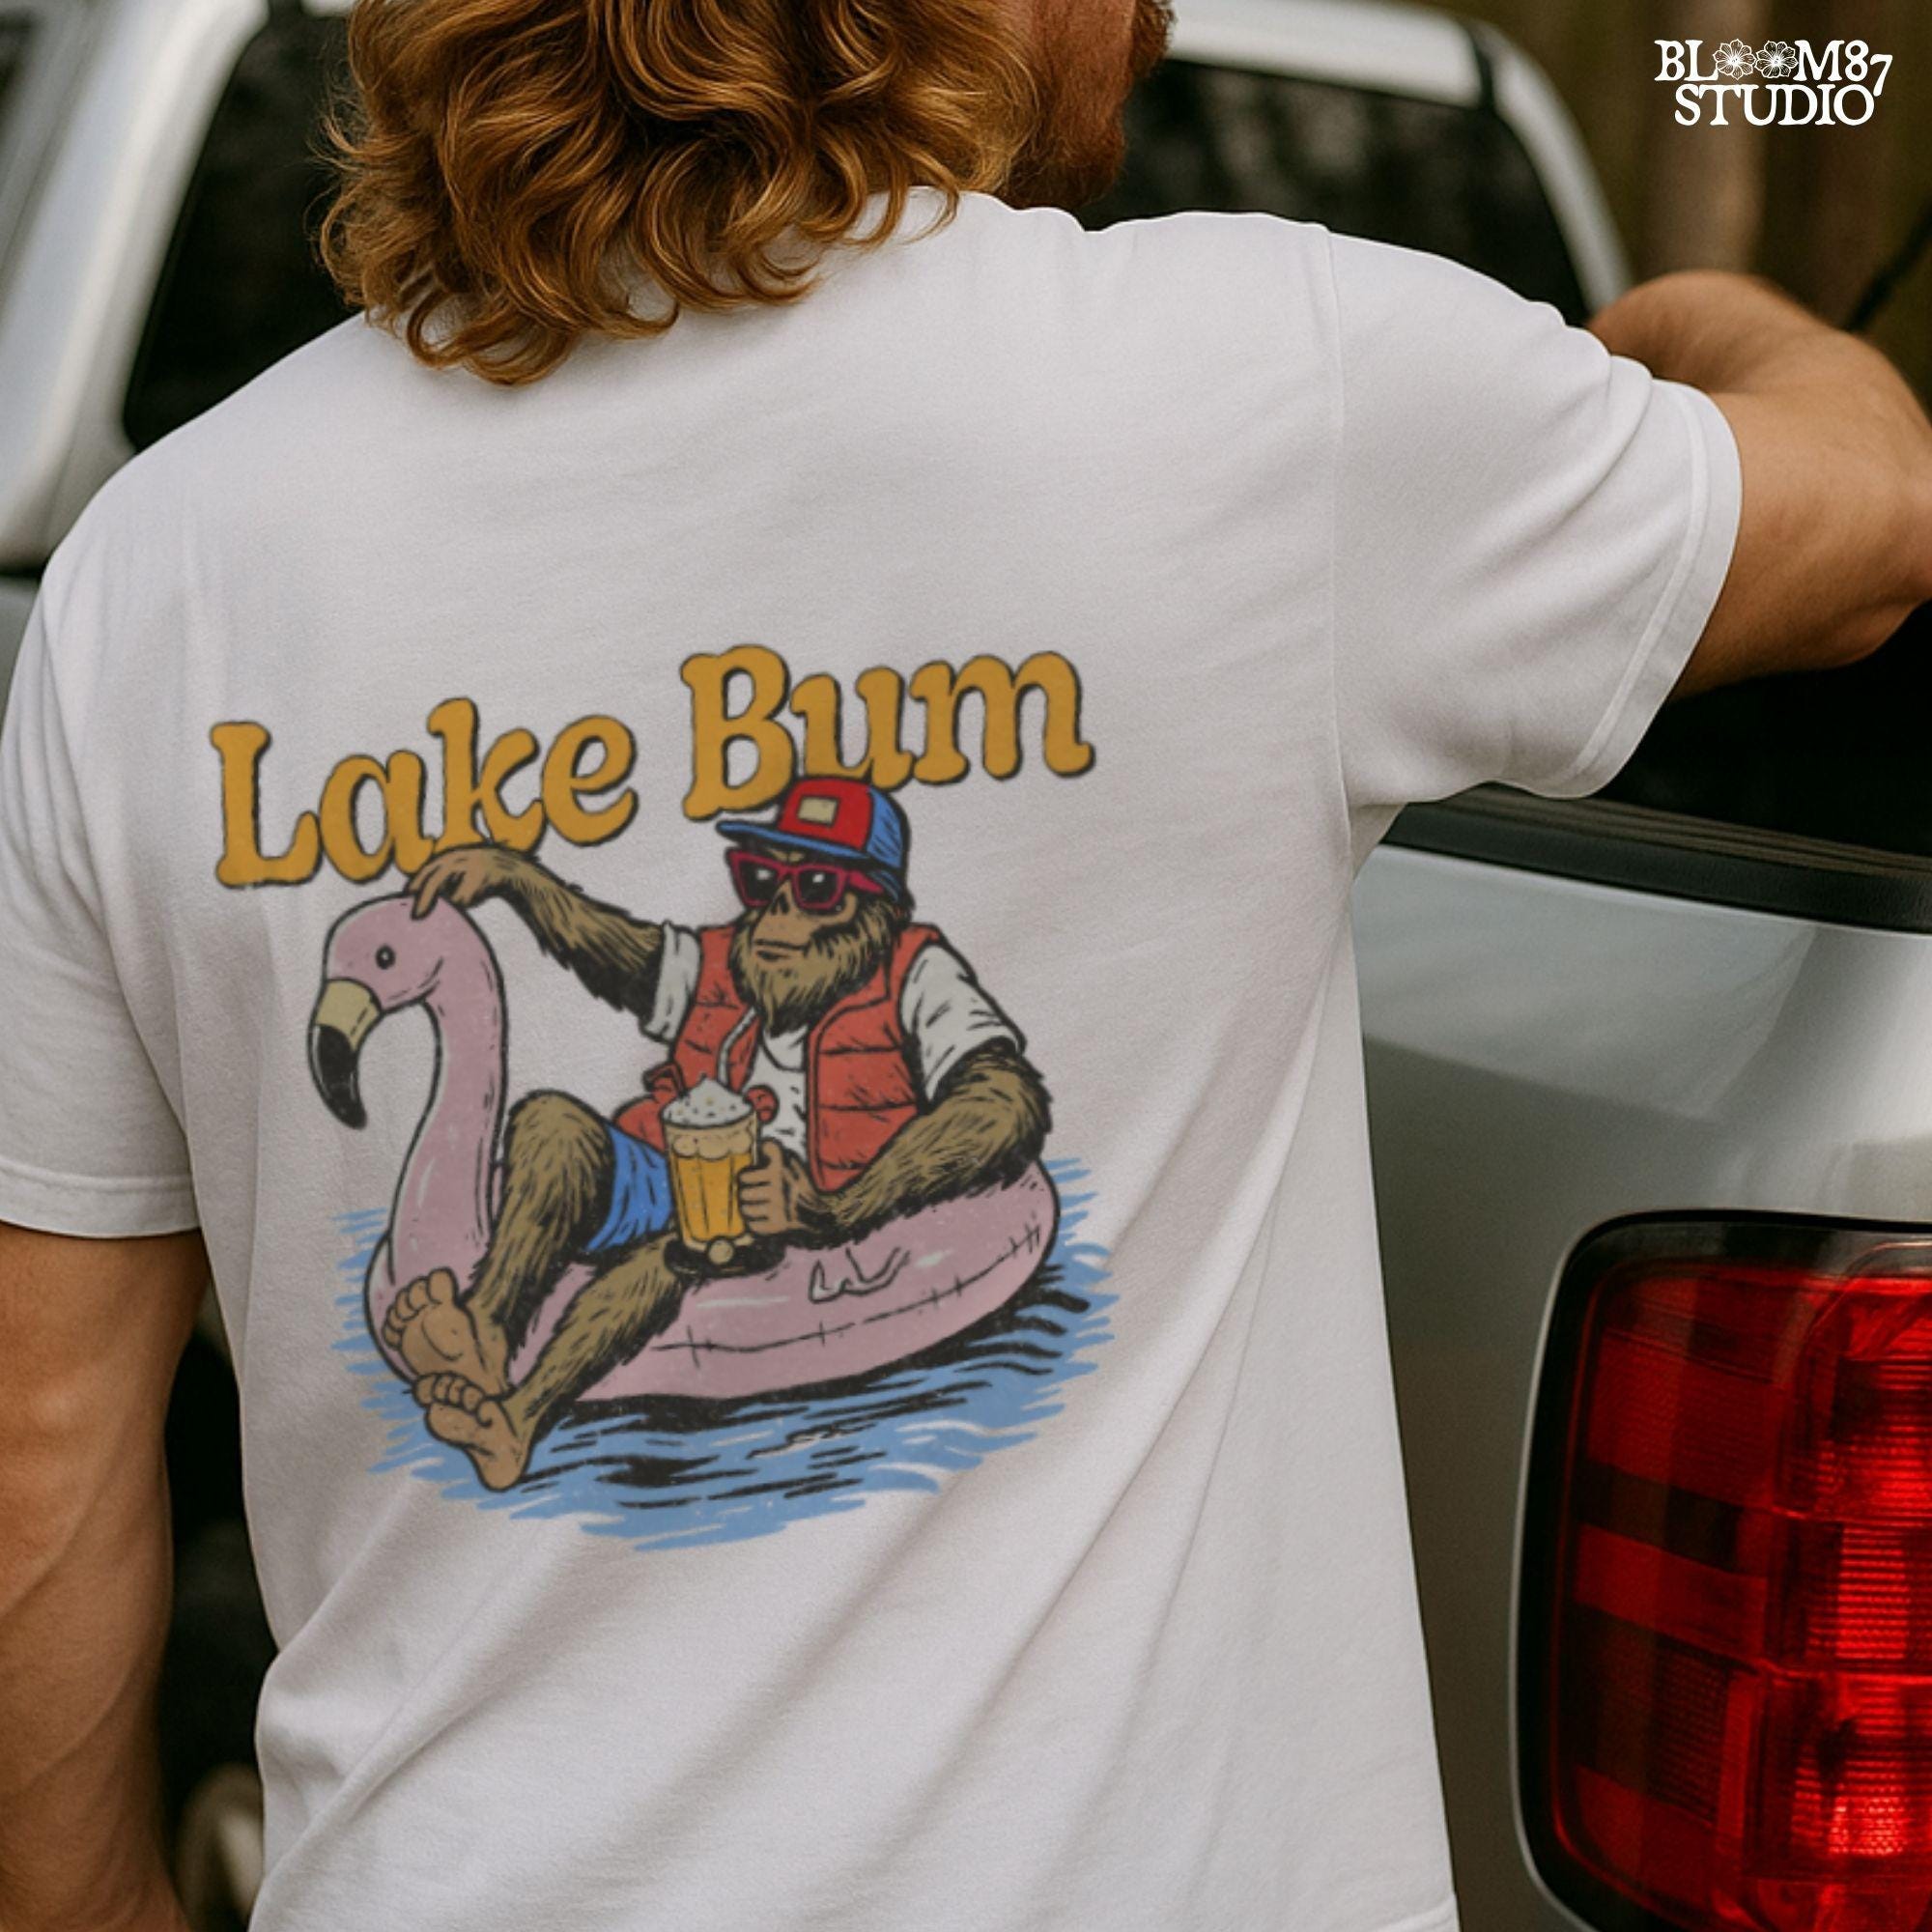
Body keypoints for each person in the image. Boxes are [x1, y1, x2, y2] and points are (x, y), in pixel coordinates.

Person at [0, 1, 1926, 1929]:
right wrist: (1699, 326)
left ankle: (530, 1374)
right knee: (595, 1168)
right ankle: (513, 1365)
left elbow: (47, 1444)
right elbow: (1873, 515)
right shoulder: (1288, 390)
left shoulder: (157, 573)